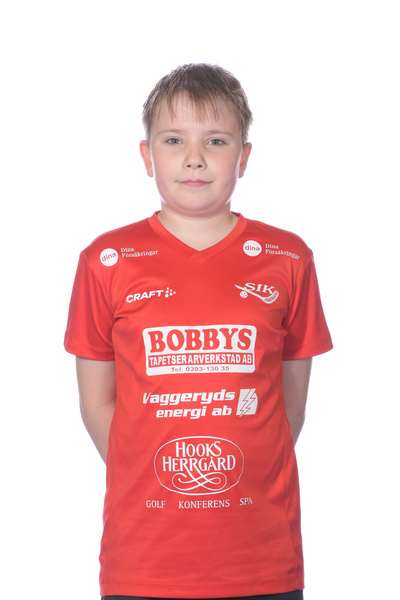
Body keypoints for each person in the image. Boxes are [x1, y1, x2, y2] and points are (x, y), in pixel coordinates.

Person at [64, 63, 333, 600]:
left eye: (215, 140)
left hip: (261, 558)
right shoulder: (106, 260)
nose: (194, 158)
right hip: (143, 559)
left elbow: (290, 407)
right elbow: (97, 405)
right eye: (173, 140)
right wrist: (155, 470)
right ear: (147, 156)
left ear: (244, 157)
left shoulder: (288, 258)